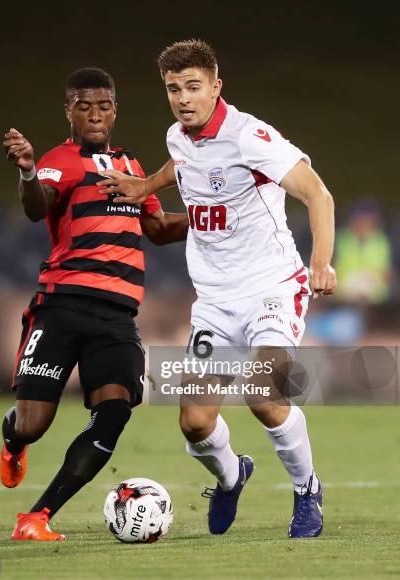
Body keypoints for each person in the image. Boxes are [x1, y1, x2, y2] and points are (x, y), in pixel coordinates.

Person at [98, 39, 337, 538]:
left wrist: (321, 263)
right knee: (194, 424)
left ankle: (306, 490)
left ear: (215, 86)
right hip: (215, 303)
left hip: (272, 286)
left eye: (193, 87)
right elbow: (182, 165)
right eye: (172, 89)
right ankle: (232, 477)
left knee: (262, 392)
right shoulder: (178, 137)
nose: (183, 98)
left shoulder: (250, 136)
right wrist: (145, 187)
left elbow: (317, 192)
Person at [0, 67, 188, 541]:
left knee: (116, 410)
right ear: (69, 111)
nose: (95, 115)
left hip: (118, 315)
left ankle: (37, 517)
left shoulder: (131, 166)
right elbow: (36, 205)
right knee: (33, 424)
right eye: (84, 106)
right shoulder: (59, 161)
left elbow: (160, 230)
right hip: (62, 304)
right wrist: (26, 171)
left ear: (115, 110)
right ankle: (13, 440)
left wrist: (213, 214)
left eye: (104, 106)